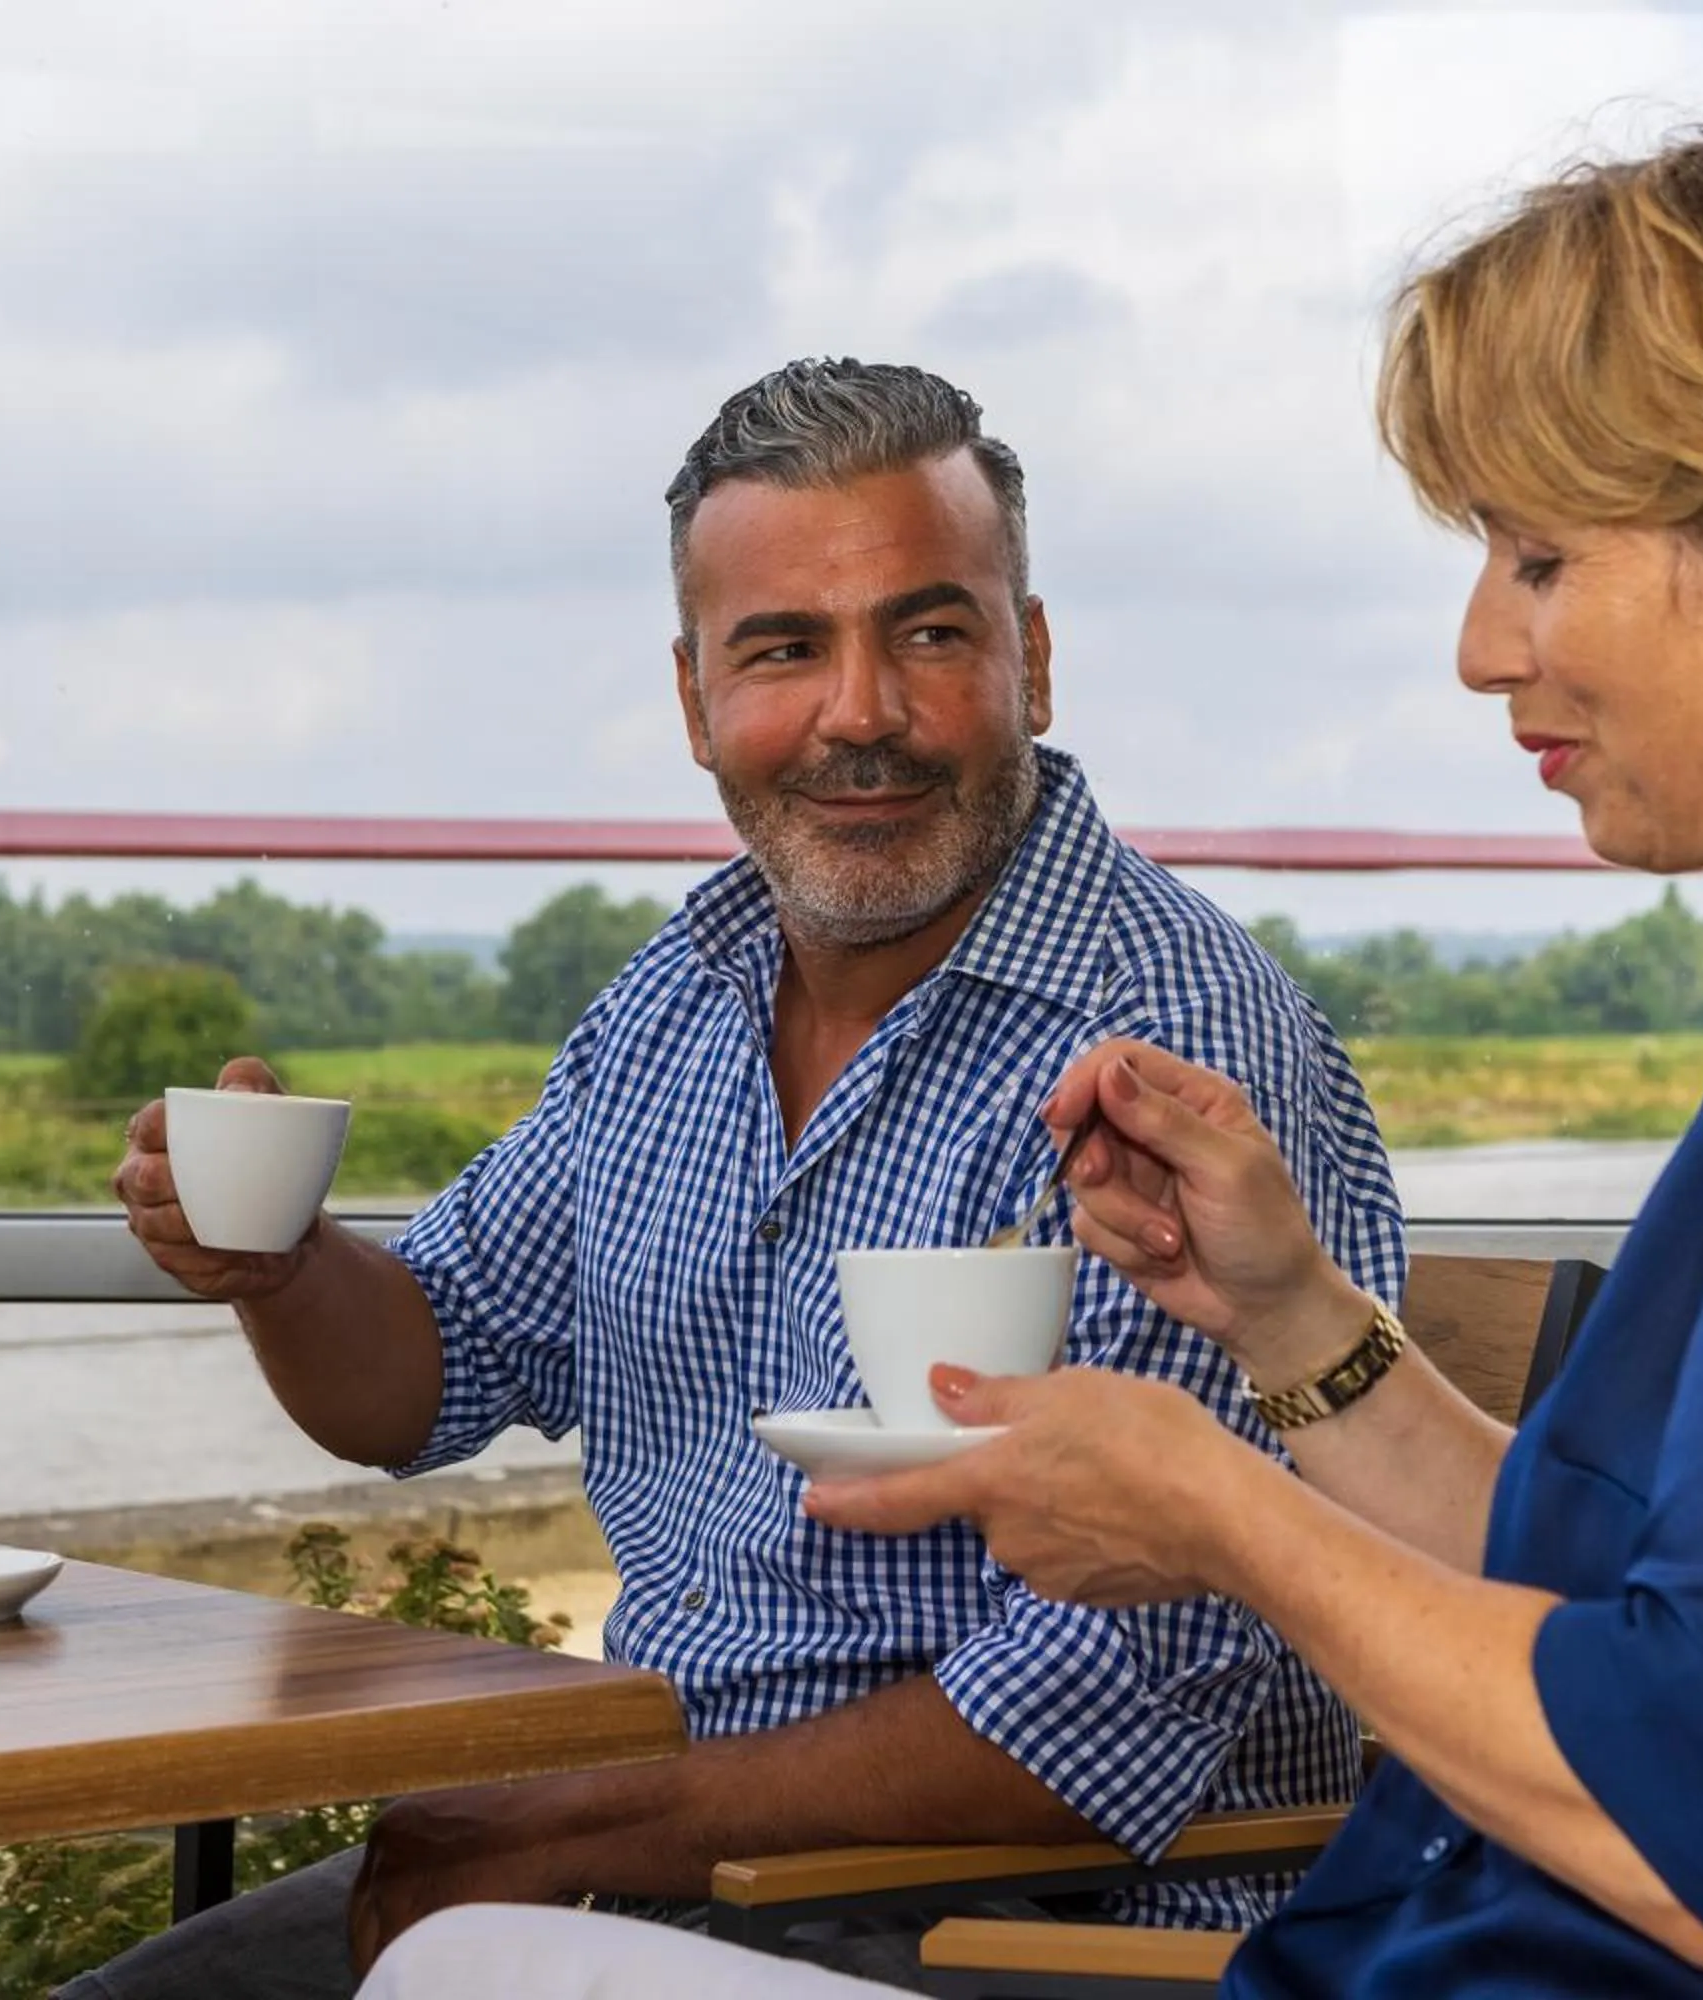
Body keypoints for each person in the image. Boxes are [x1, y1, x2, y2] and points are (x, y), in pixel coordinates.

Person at [363, 85, 1703, 2000]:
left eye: (1540, 558)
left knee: (458, 1962)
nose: (1482, 646)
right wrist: (1293, 1320)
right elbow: (1622, 1594)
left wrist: (1219, 1512)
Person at [75, 358, 1407, 1998]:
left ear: (1034, 662)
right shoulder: (679, 995)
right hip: (674, 1860)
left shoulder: (1169, 1051)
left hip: (1033, 1928)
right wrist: (279, 1265)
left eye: (931, 634)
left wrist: (571, 1827)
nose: (861, 714)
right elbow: (433, 1365)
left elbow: (1105, 1711)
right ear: (697, 701)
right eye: (784, 649)